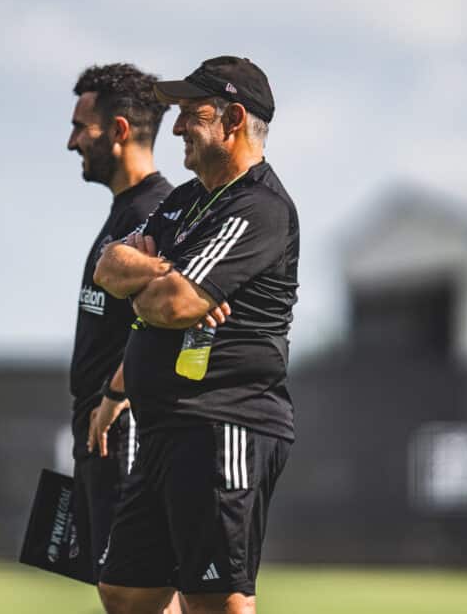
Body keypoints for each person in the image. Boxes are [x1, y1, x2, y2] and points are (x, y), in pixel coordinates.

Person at [93, 56, 299, 614]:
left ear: (233, 119)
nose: (178, 127)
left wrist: (165, 283)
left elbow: (174, 305)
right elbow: (109, 267)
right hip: (167, 428)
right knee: (125, 590)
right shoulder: (186, 201)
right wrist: (163, 271)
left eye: (192, 113)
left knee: (216, 600)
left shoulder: (258, 206)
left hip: (221, 424)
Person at [65, 63, 173, 591]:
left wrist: (115, 394)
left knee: (133, 593)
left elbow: (172, 321)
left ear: (119, 131)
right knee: (126, 597)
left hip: (124, 429)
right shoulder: (124, 212)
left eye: (80, 127)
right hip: (99, 431)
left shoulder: (159, 213)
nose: (70, 143)